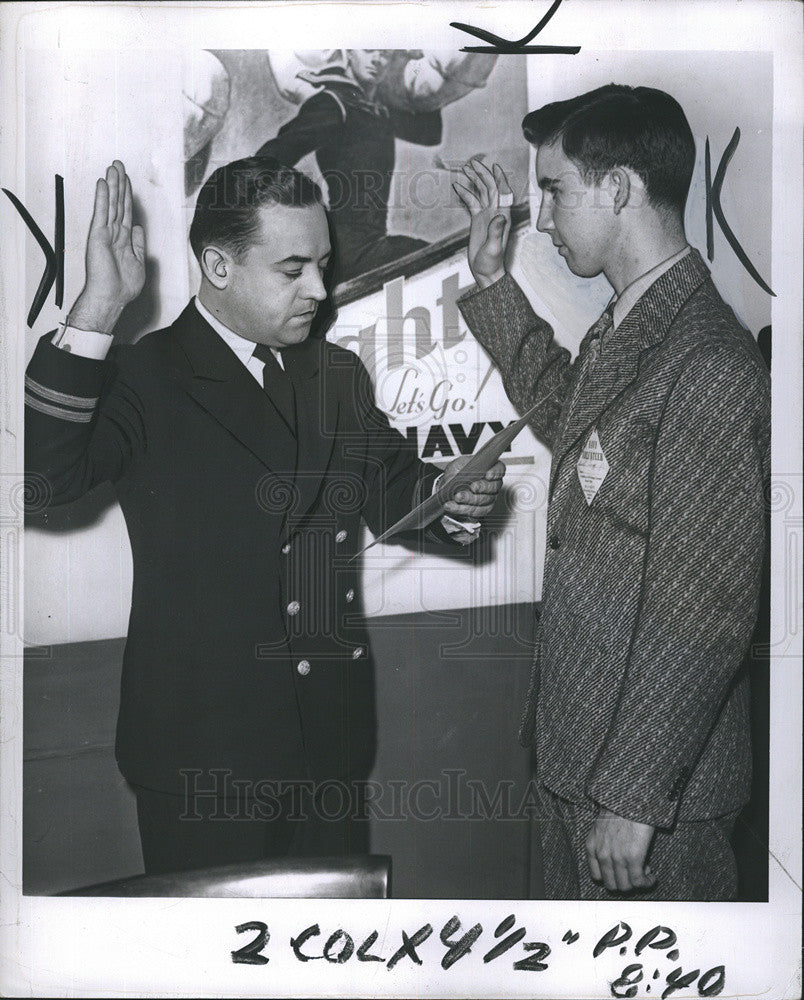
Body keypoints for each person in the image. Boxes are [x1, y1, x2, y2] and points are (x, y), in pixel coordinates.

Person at [25, 156, 504, 876]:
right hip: (202, 764)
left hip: (328, 747)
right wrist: (97, 308)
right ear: (218, 266)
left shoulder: (334, 373)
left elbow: (394, 485)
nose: (319, 288)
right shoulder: (142, 375)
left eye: (323, 263)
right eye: (292, 269)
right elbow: (44, 480)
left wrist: (454, 499)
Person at [453, 84, 770, 901]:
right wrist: (491, 285)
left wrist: (632, 799)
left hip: (649, 801)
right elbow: (577, 423)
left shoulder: (710, 363)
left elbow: (706, 609)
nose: (544, 218)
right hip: (585, 763)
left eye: (554, 189)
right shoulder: (637, 324)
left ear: (619, 187)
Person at [258, 49, 495, 284]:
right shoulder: (334, 103)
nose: (377, 60)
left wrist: (403, 64)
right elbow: (270, 158)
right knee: (444, 261)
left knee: (447, 259)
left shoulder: (377, 110)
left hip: (371, 243)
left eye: (385, 54)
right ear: (348, 53)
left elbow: (430, 132)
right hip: (347, 250)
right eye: (369, 50)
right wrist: (301, 208)